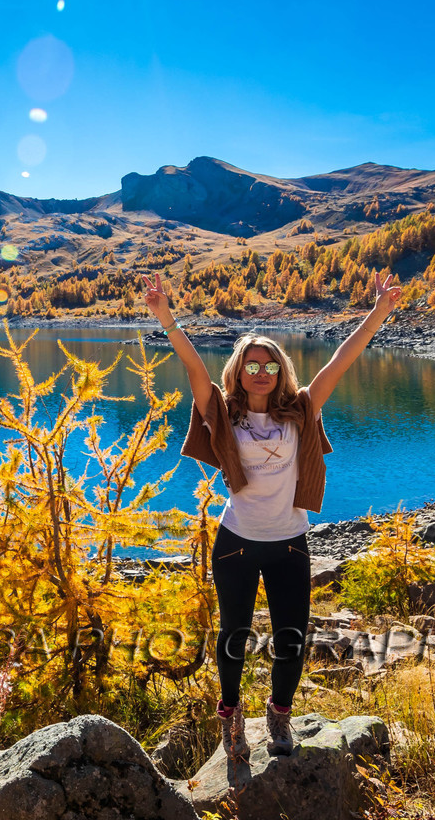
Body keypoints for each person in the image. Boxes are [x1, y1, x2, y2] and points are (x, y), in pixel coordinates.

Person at [142, 271, 403, 762]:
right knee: (233, 635)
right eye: (251, 364)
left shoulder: (302, 409)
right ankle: (231, 715)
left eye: (269, 365)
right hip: (236, 542)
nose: (261, 372)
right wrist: (166, 318)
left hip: (289, 543)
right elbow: (196, 371)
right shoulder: (223, 412)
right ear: (238, 372)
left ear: (282, 371)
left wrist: (379, 313)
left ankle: (279, 716)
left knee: (291, 636)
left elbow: (338, 363)